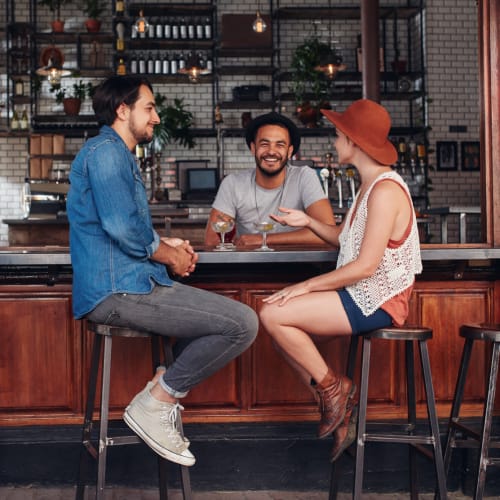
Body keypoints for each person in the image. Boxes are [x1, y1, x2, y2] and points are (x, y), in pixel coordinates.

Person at [67, 75, 258, 467]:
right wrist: (169, 256)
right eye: (149, 108)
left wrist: (170, 247)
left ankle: (161, 388)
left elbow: (132, 225)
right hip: (117, 292)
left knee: (238, 322)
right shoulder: (106, 151)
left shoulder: (119, 153)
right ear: (123, 110)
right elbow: (120, 226)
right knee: (242, 323)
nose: (156, 117)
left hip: (133, 284)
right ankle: (156, 401)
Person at [258, 99, 422, 462]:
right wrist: (308, 222)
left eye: (338, 135)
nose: (334, 142)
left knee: (272, 314)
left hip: (377, 299)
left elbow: (365, 266)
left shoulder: (384, 191)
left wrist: (304, 286)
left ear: (353, 141)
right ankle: (340, 408)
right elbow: (344, 240)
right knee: (279, 328)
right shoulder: (369, 186)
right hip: (359, 294)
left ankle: (336, 389)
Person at [204, 112, 336, 247]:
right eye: (264, 144)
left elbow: (328, 233)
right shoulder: (233, 183)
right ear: (253, 148)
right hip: (247, 265)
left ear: (290, 152)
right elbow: (212, 240)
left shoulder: (304, 177)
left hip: (298, 265)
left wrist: (263, 239)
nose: (271, 151)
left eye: (280, 145)